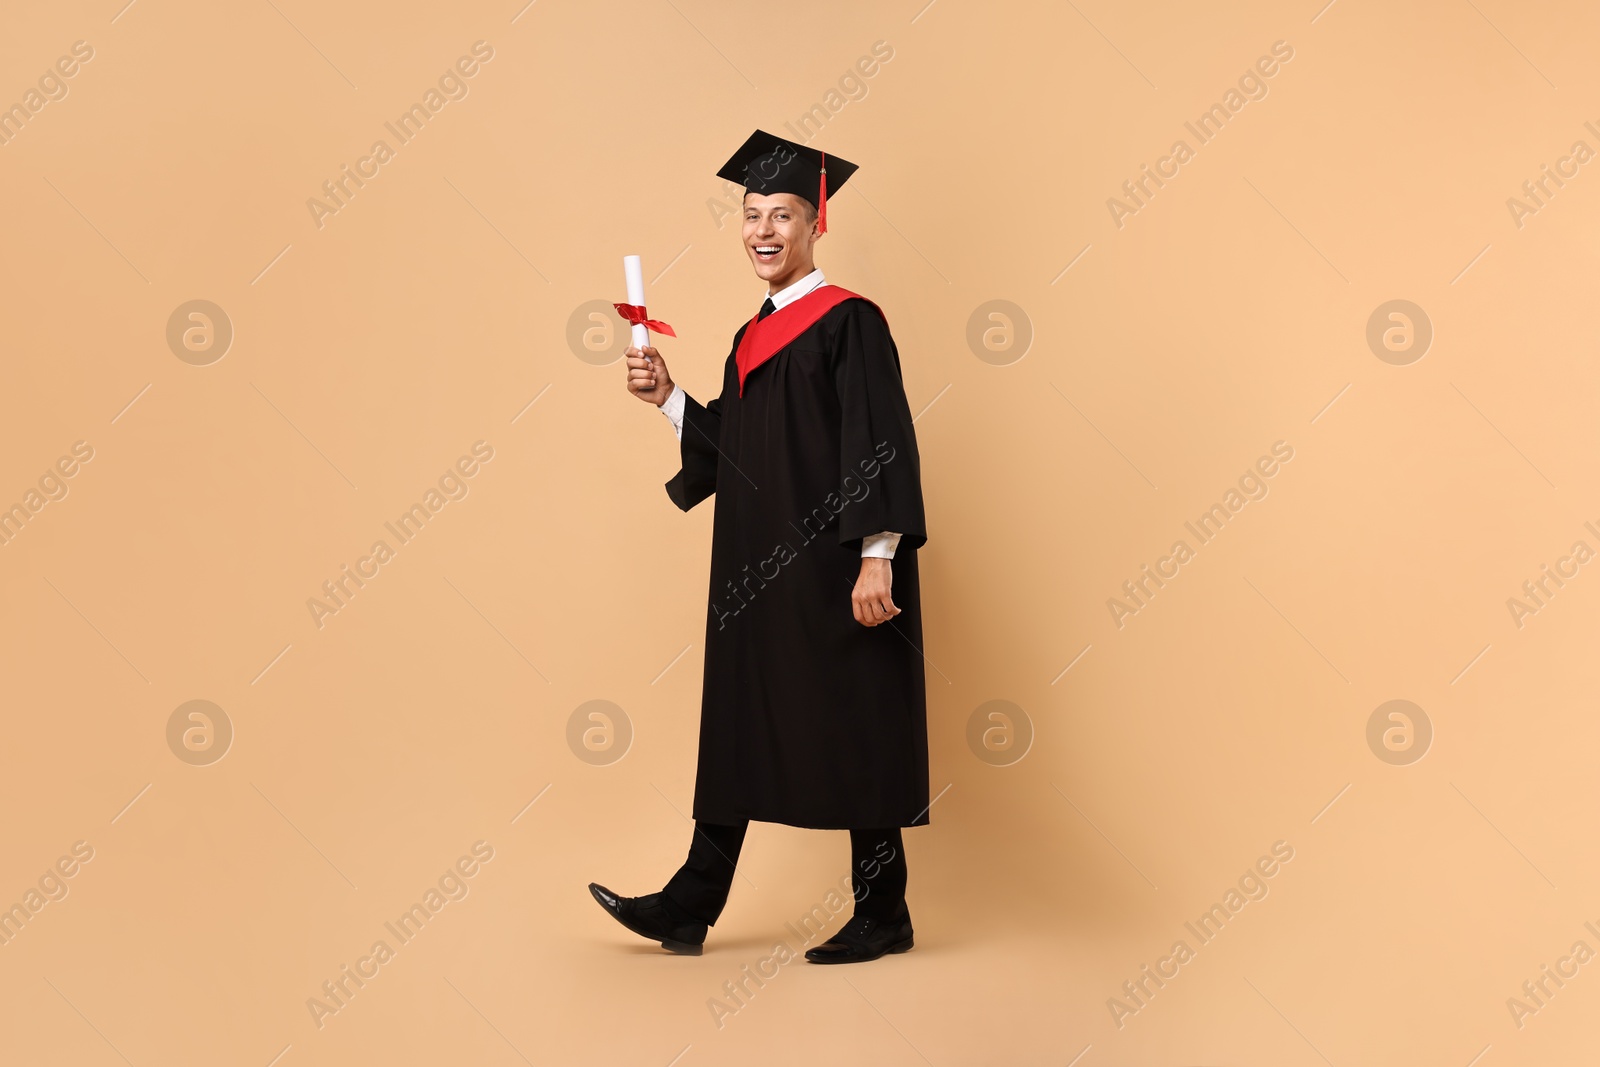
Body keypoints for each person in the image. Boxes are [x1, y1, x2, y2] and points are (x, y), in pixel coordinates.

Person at [589, 129, 930, 964]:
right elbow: (736, 451)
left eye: (782, 214)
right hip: (760, 576)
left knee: (857, 723)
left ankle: (884, 911)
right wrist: (669, 398)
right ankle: (690, 902)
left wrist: (876, 554)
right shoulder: (751, 338)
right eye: (751, 214)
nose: (763, 230)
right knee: (742, 721)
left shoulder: (850, 322)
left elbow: (878, 438)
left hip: (836, 569)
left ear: (816, 224)